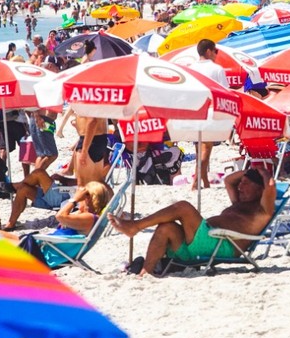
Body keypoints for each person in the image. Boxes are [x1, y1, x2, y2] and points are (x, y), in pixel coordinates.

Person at [111, 166, 276, 276]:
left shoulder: (262, 211)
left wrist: (262, 171)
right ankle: (146, 272)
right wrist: (249, 170)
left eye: (246, 184)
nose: (239, 187)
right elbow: (228, 180)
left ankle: (135, 227)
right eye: (241, 183)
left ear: (259, 189)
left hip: (223, 245)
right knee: (166, 227)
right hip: (201, 245)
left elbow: (270, 185)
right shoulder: (239, 203)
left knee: (183, 207)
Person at [188, 38, 228, 190]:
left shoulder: (190, 68)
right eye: (215, 51)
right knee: (207, 148)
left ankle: (204, 181)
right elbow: (224, 92)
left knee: (199, 147)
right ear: (208, 51)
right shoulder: (216, 69)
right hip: (210, 110)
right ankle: (196, 181)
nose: (216, 54)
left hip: (193, 110)